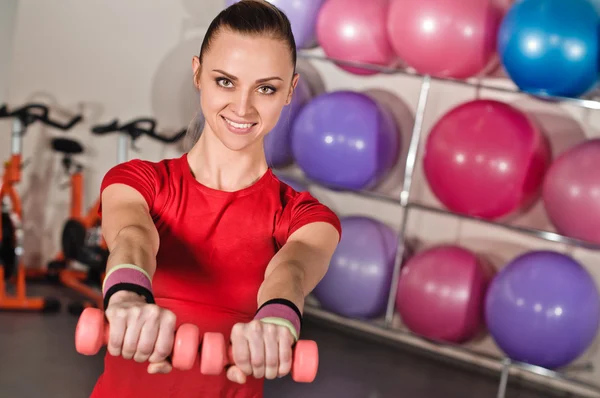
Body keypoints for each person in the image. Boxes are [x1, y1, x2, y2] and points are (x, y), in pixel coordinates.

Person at [90, 1, 341, 397]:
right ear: (198, 74)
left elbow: (290, 272)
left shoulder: (307, 218)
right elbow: (133, 238)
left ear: (290, 90)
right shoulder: (138, 181)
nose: (242, 107)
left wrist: (277, 321)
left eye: (266, 88)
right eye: (225, 81)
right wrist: (126, 297)